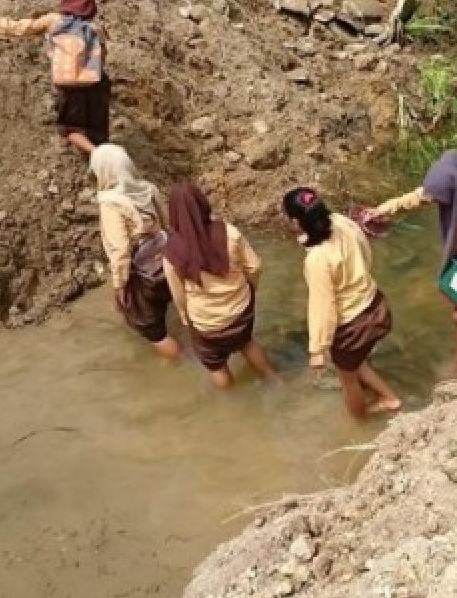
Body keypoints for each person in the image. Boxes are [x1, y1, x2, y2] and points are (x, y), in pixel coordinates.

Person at [367, 150, 457, 377]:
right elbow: (414, 199)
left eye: (438, 199)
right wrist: (380, 210)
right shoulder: (449, 194)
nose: (434, 201)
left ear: (452, 191)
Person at [284, 187, 401, 418]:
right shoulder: (341, 221)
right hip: (376, 306)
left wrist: (318, 349)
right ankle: (385, 396)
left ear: (296, 222)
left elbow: (322, 306)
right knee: (354, 362)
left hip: (354, 327)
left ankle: (368, 417)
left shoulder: (317, 259)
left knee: (347, 379)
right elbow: (364, 249)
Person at [0, 0, 109, 155]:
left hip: (69, 87)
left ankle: (97, 155)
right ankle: (104, 159)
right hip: (96, 86)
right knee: (97, 132)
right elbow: (102, 58)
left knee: (71, 129)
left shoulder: (54, 21)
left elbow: (19, 28)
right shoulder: (96, 29)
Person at [163, 182, 277, 388]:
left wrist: (184, 316)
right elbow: (255, 266)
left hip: (206, 324)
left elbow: (178, 294)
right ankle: (274, 379)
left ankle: (232, 406)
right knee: (246, 343)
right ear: (203, 204)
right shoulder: (229, 232)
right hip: (241, 311)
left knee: (216, 365)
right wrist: (251, 289)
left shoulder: (172, 252)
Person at [89, 144, 180, 359]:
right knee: (171, 308)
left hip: (144, 274)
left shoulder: (110, 203)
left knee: (153, 332)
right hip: (169, 260)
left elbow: (120, 250)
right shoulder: (148, 189)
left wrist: (119, 286)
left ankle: (183, 366)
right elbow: (167, 225)